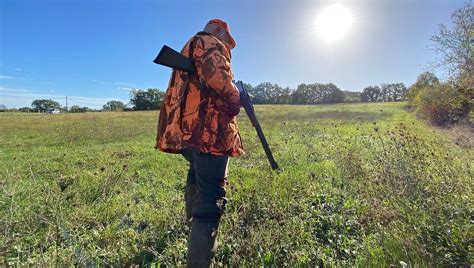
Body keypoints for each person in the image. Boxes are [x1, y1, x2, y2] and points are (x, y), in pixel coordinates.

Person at [155, 19, 244, 267]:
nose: (227, 46)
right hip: (209, 133)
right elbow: (220, 81)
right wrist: (238, 98)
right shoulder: (209, 42)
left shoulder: (190, 47)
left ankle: (191, 228)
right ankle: (201, 261)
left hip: (186, 131)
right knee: (211, 194)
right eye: (227, 39)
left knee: (197, 177)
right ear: (217, 31)